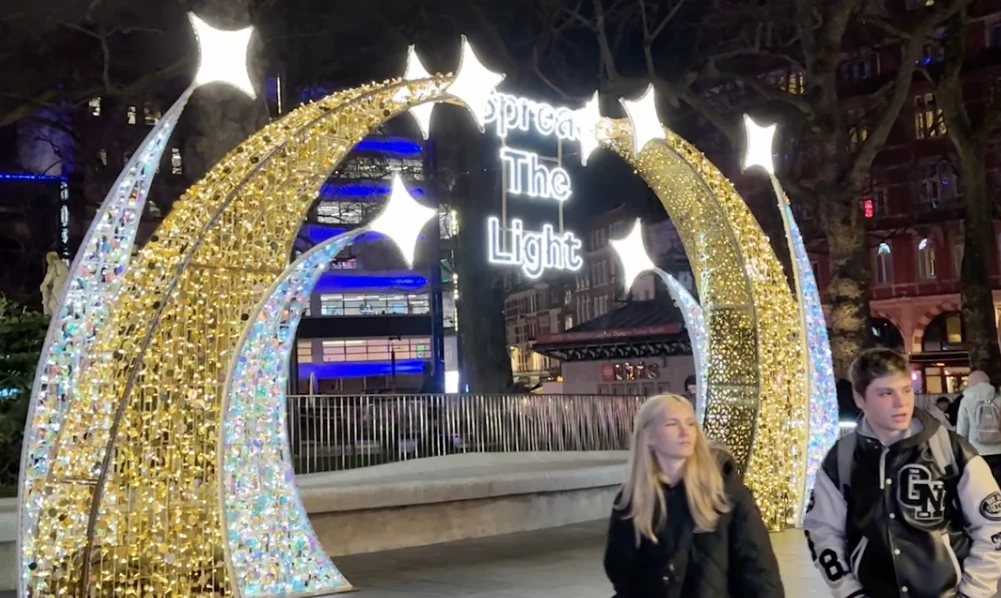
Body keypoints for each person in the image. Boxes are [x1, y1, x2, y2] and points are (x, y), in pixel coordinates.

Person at [803, 348, 1001, 598]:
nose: (901, 402)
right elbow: (822, 530)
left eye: (906, 390)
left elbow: (992, 525)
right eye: (886, 393)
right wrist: (849, 591)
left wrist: (973, 592)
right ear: (860, 398)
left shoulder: (951, 450)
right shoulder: (841, 459)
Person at [603, 394, 784, 598]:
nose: (684, 432)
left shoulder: (727, 496)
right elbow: (621, 573)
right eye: (672, 424)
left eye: (690, 423)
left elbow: (759, 572)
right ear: (649, 436)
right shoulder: (631, 501)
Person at [956, 370, 1001, 482]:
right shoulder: (999, 399)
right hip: (999, 451)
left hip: (976, 451)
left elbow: (962, 429)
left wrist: (961, 451)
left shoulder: (966, 400)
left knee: (982, 485)